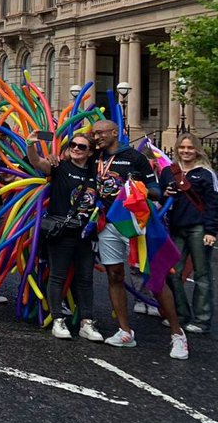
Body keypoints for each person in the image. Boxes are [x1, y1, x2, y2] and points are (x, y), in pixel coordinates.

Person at [91, 119, 188, 358]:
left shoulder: (135, 157)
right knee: (114, 275)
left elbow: (154, 188)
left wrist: (140, 188)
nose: (97, 137)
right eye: (94, 134)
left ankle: (178, 335)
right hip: (107, 223)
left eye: (101, 133)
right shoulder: (95, 158)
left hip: (134, 222)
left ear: (115, 132)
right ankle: (125, 331)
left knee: (154, 277)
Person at [27, 132, 104, 341]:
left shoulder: (96, 173)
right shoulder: (60, 167)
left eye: (82, 146)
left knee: (86, 278)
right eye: (73, 145)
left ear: (90, 152)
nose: (76, 149)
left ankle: (86, 322)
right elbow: (36, 162)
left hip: (86, 234)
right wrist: (31, 144)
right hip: (61, 231)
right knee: (58, 275)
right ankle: (58, 319)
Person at [160, 134, 217, 335]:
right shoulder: (169, 171)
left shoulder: (206, 174)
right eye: (182, 147)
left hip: (198, 227)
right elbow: (160, 195)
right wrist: (165, 194)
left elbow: (213, 203)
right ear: (177, 149)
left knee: (202, 274)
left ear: (197, 150)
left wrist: (211, 231)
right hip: (176, 227)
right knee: (173, 272)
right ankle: (180, 315)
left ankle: (202, 320)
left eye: (190, 148)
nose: (186, 151)